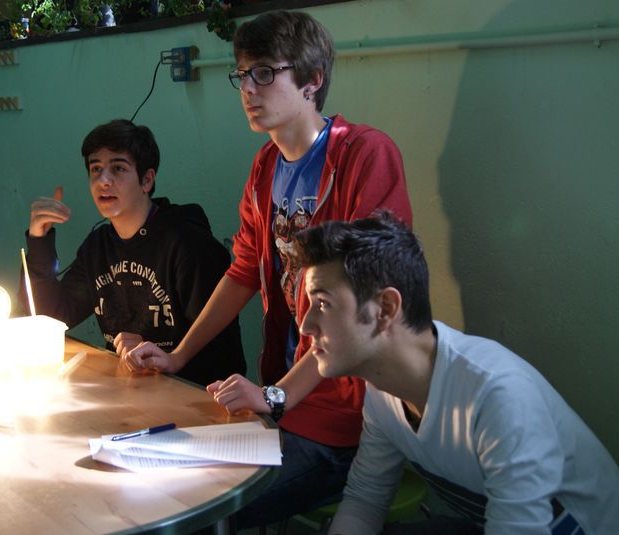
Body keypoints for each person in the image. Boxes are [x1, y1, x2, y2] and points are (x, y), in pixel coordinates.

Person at [123, 10, 413, 527]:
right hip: (282, 402)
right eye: (242, 75)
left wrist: (275, 397)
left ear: (312, 80)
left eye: (264, 73)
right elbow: (242, 273)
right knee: (147, 470)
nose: (248, 89)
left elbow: (358, 306)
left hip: (344, 417)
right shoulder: (265, 167)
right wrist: (178, 355)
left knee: (190, 509)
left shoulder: (364, 154)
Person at [292, 213, 619, 535]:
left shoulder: (497, 394)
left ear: (385, 308)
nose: (306, 325)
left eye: (322, 303)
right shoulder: (382, 392)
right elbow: (365, 500)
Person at [23, 119, 246, 386]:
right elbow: (51, 316)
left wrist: (158, 355)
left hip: (189, 394)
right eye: (96, 169)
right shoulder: (98, 247)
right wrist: (39, 241)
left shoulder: (187, 242)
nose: (103, 181)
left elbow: (222, 354)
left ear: (147, 180)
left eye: (118, 168)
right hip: (129, 389)